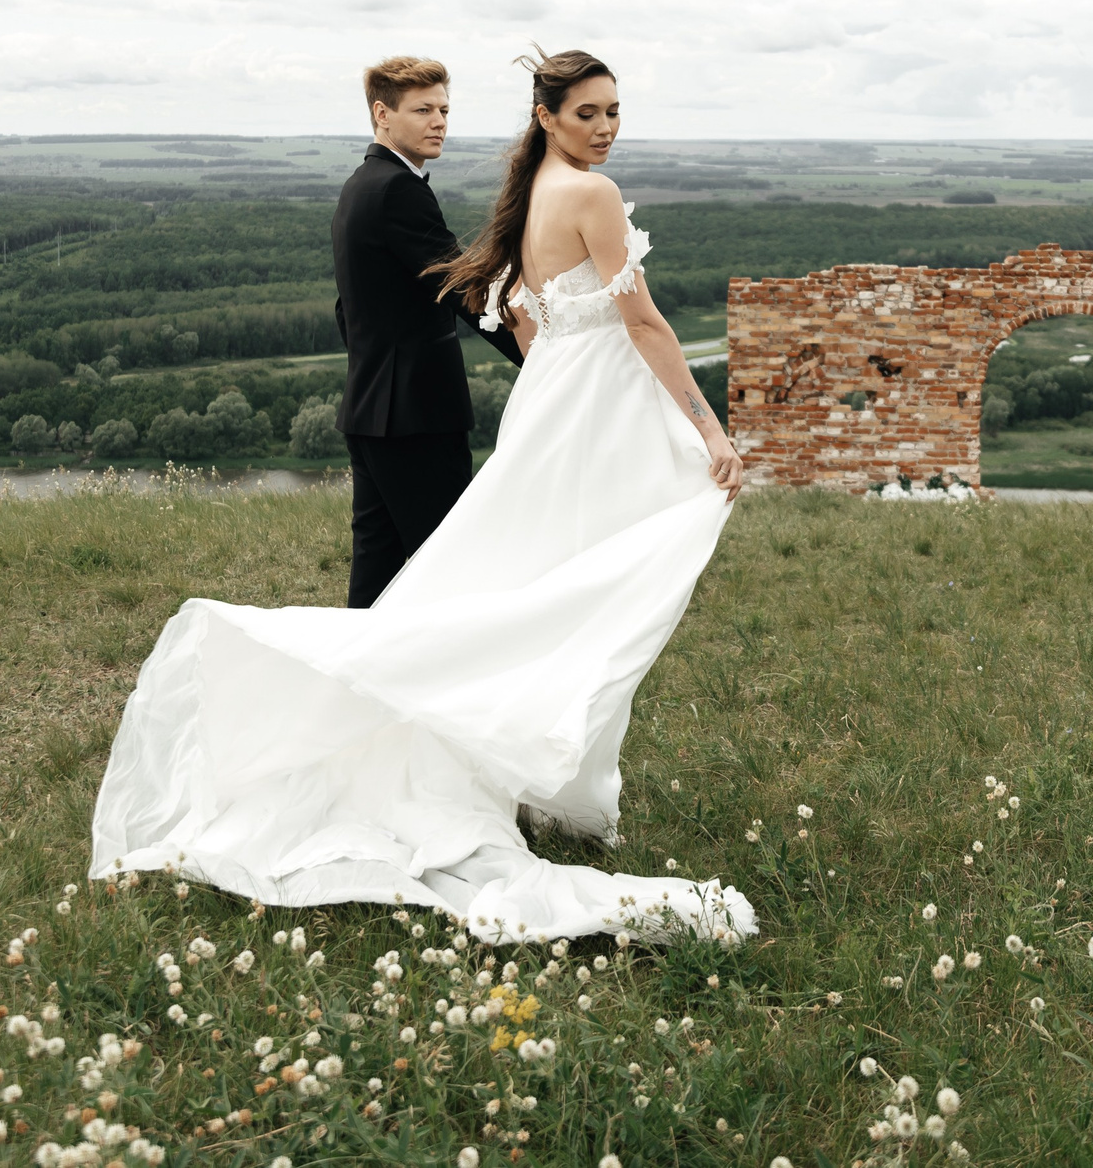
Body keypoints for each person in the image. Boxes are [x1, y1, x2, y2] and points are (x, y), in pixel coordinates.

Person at [89, 50, 753, 943]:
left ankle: (349, 720)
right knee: (466, 600)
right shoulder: (486, 193)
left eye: (614, 112)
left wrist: (549, 360)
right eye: (589, 112)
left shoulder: (470, 190)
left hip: (424, 405)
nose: (606, 127)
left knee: (401, 595)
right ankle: (401, 735)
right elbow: (598, 313)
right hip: (430, 413)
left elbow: (460, 296)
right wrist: (699, 425)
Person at [330, 56, 523, 609]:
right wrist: (539, 357)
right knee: (454, 571)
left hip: (371, 411)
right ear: (382, 114)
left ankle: (351, 683)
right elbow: (464, 289)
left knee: (376, 573)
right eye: (423, 110)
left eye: (443, 109)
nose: (439, 121)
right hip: (416, 417)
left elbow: (349, 310)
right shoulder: (398, 190)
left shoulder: (359, 185)